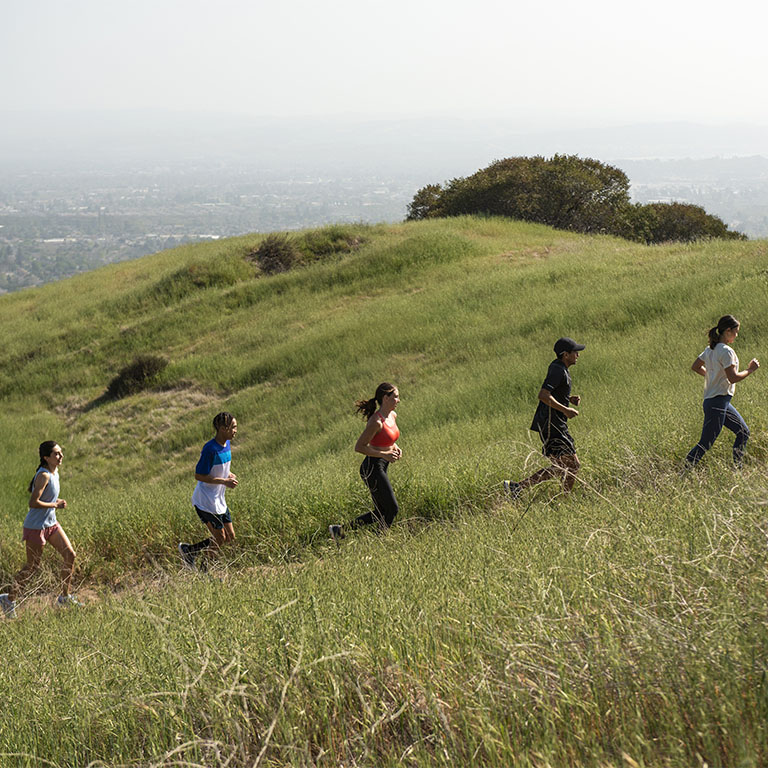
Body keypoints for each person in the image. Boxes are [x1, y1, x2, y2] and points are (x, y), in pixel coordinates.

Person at [0, 441, 81, 619]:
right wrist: (55, 505)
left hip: (51, 524)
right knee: (32, 567)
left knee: (70, 555)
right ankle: (8, 599)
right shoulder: (44, 475)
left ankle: (64, 597)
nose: (60, 456)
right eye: (56, 454)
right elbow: (33, 502)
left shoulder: (54, 473)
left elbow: (46, 497)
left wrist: (56, 501)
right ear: (46, 457)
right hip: (36, 527)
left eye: (60, 452)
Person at [503, 337, 585, 498]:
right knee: (572, 465)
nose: (578, 355)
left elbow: (553, 392)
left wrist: (568, 398)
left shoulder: (559, 367)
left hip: (552, 423)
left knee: (563, 466)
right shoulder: (558, 370)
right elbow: (543, 395)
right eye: (575, 352)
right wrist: (566, 410)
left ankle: (518, 488)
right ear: (565, 354)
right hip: (552, 424)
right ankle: (561, 498)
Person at [330, 383, 402, 541]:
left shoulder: (392, 415)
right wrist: (385, 454)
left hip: (382, 465)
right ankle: (379, 541)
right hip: (372, 468)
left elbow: (388, 439)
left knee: (381, 511)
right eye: (395, 397)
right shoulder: (376, 422)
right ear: (385, 398)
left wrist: (395, 448)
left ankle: (339, 531)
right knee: (392, 509)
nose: (398, 400)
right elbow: (359, 447)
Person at [685, 315, 759, 467]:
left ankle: (738, 472)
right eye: (736, 332)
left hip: (718, 401)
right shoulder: (726, 351)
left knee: (743, 432)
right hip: (717, 403)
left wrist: (713, 376)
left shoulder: (710, 350)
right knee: (705, 443)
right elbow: (733, 378)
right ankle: (684, 471)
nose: (736, 335)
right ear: (728, 331)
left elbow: (696, 366)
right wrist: (750, 369)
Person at [179, 412, 238, 571]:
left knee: (230, 536)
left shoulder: (227, 444)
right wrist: (224, 481)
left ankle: (190, 550)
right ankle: (204, 570)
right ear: (223, 429)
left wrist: (228, 474)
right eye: (233, 427)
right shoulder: (210, 449)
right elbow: (199, 475)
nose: (235, 430)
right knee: (220, 537)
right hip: (205, 500)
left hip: (219, 499)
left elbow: (220, 468)